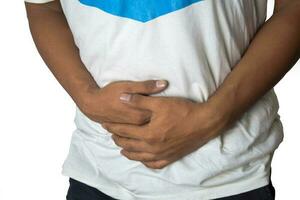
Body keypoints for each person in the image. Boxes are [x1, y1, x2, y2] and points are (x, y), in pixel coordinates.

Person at [24, 0, 300, 199]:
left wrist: (214, 116)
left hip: (228, 174)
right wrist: (86, 97)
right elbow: (44, 6)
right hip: (101, 168)